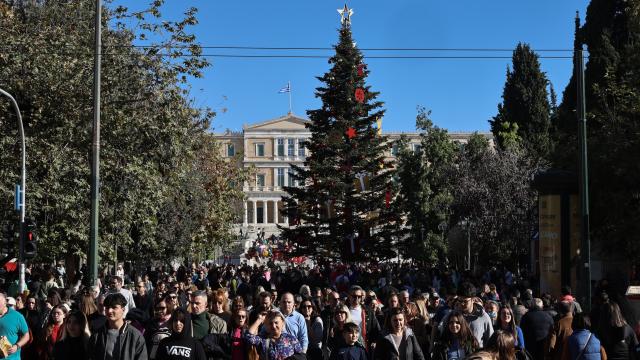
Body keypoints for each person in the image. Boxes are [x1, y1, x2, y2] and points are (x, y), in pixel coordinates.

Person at [89, 293, 148, 360]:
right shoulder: (97, 335)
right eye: (107, 307)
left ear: (123, 310)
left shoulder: (135, 336)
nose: (109, 311)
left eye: (114, 307)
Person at [440, 282, 493, 347]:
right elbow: (442, 334)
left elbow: (491, 340)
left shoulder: (483, 317)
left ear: (473, 300)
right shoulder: (452, 315)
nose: (462, 304)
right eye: (459, 301)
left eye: (465, 301)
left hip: (477, 355)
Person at [347, 286, 380, 355]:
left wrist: (375, 341)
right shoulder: (345, 310)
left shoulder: (367, 310)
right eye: (354, 296)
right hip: (348, 345)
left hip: (364, 345)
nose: (357, 298)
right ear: (349, 296)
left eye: (359, 296)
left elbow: (376, 328)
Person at [0, 291, 30, 359]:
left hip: (12, 358)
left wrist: (17, 346)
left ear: (5, 303)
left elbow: (26, 335)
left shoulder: (17, 316)